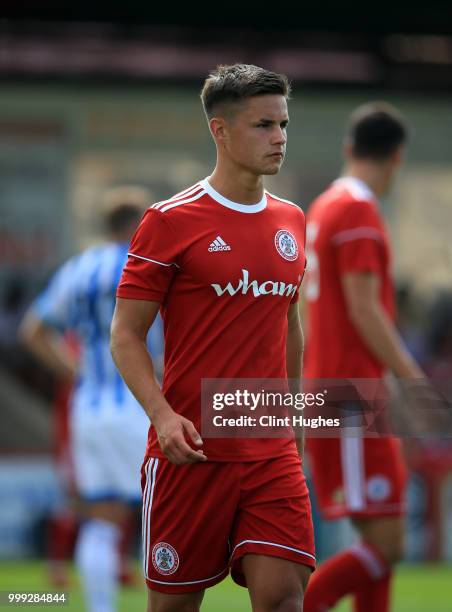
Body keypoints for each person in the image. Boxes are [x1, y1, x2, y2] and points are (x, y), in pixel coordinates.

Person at [111, 63, 315, 612]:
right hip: (192, 453)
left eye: (283, 124)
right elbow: (126, 335)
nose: (279, 139)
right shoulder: (169, 220)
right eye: (263, 126)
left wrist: (294, 423)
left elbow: (289, 326)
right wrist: (161, 416)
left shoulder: (293, 221)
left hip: (271, 452)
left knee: (284, 600)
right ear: (219, 132)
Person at [303, 103, 425, 611]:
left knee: (375, 537)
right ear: (396, 158)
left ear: (350, 147)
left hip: (335, 388)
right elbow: (364, 308)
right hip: (352, 394)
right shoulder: (358, 210)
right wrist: (412, 379)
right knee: (388, 544)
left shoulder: (324, 206)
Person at [21, 186, 164, 612]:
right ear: (140, 224)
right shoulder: (150, 265)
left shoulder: (79, 268)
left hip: (89, 408)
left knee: (101, 521)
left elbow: (33, 330)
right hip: (141, 405)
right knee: (164, 516)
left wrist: (78, 372)